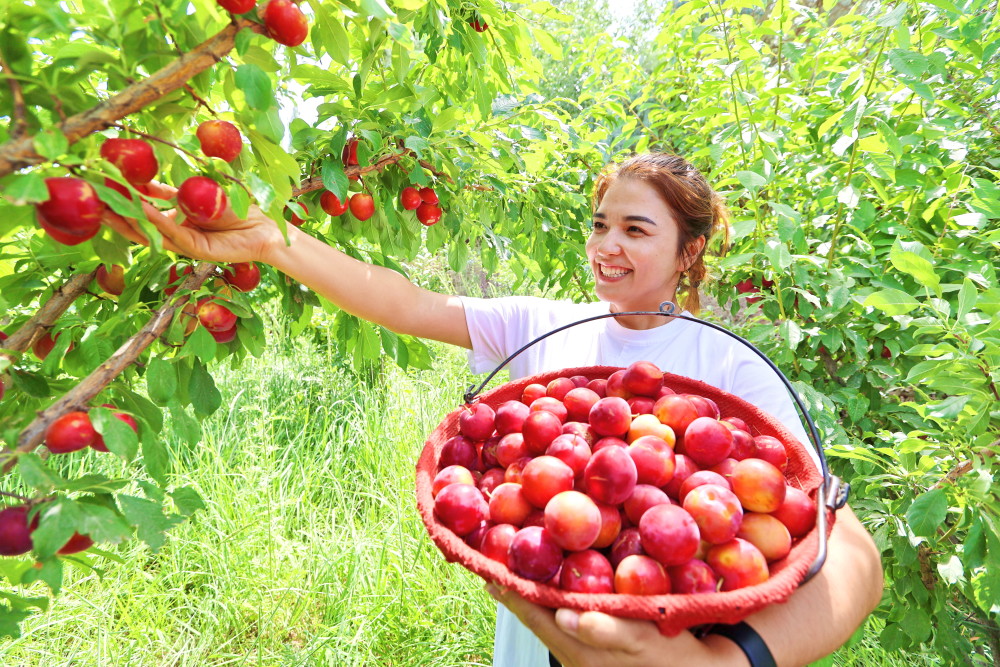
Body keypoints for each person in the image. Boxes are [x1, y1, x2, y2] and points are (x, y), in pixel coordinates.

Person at [103, 152, 884, 667]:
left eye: (637, 229)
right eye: (600, 222)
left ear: (688, 253)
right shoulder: (539, 328)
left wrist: (729, 660)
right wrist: (277, 243)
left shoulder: (729, 368)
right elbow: (401, 300)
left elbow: (843, 549)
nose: (608, 243)